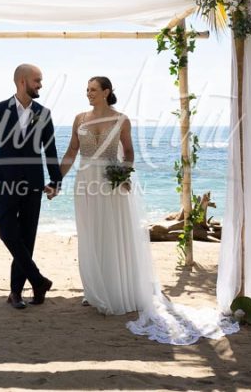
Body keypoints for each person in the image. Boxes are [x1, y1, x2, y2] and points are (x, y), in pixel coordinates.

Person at [59, 76, 238, 344]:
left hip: (111, 181)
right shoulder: (79, 118)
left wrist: (123, 174)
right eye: (87, 90)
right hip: (85, 180)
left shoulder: (122, 120)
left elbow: (129, 152)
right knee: (90, 234)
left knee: (113, 234)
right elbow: (72, 151)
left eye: (93, 90)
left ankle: (118, 291)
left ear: (107, 91)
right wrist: (56, 179)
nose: (88, 94)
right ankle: (95, 291)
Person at [0, 64, 62, 310]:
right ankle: (38, 280)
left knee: (27, 237)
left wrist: (55, 181)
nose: (40, 85)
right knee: (7, 233)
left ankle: (16, 292)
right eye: (37, 80)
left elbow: (51, 150)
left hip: (34, 183)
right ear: (22, 81)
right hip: (4, 182)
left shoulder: (43, 113)